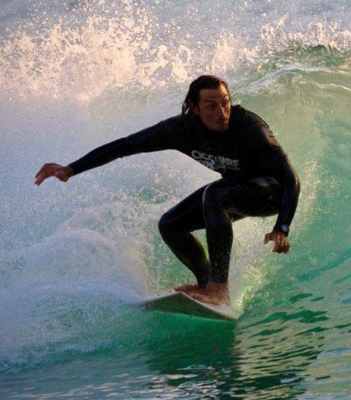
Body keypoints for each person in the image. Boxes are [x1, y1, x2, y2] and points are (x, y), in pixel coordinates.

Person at [35, 75, 300, 306]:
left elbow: (291, 179)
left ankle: (219, 290)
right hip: (233, 192)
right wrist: (71, 169)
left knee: (215, 195)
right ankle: (206, 284)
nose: (222, 112)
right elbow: (125, 146)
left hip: (271, 192)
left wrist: (282, 227)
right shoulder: (180, 131)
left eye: (225, 102)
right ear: (194, 108)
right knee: (170, 225)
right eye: (211, 106)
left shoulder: (250, 127)